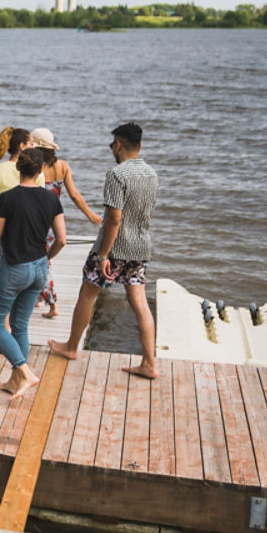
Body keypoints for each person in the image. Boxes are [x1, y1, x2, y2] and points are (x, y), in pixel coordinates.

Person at [47, 123, 160, 379]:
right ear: (140, 145)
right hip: (140, 247)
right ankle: (149, 363)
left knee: (88, 294)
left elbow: (114, 219)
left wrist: (104, 255)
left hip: (113, 248)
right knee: (140, 303)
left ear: (118, 144)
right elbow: (147, 213)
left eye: (112, 145)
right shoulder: (152, 174)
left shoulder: (117, 175)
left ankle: (72, 347)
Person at [0, 147, 66, 399]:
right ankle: (15, 381)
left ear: (18, 168)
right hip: (38, 269)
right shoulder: (51, 199)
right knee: (20, 325)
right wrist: (46, 259)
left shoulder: (7, 198)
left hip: (14, 268)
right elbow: (61, 239)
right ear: (40, 170)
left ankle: (24, 372)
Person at [29, 128, 102, 319]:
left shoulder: (34, 166)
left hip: (36, 220)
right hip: (54, 219)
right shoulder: (63, 166)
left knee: (42, 262)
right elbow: (75, 195)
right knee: (43, 259)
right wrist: (90, 215)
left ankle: (53, 304)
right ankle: (38, 297)